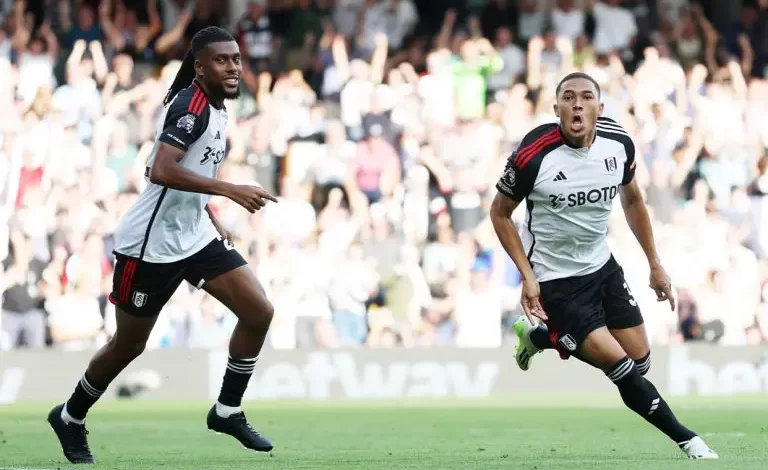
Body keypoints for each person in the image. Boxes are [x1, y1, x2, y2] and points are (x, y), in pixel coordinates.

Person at [47, 27, 278, 464]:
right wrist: (227, 190)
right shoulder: (191, 107)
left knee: (259, 311)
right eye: (222, 61)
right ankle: (71, 415)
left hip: (192, 234)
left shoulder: (217, 105)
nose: (233, 67)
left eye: (236, 59)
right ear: (200, 67)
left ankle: (227, 410)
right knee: (129, 345)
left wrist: (206, 212)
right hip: (150, 246)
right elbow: (161, 170)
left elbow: (186, 168)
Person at [489, 72, 718, 460]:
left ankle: (541, 338)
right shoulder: (533, 154)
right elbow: (499, 213)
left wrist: (655, 265)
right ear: (556, 107)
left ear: (600, 107)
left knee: (641, 360)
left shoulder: (619, 144)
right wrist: (527, 277)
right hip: (556, 280)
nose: (577, 104)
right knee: (622, 368)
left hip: (602, 266)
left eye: (585, 97)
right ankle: (690, 441)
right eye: (568, 97)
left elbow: (632, 201)